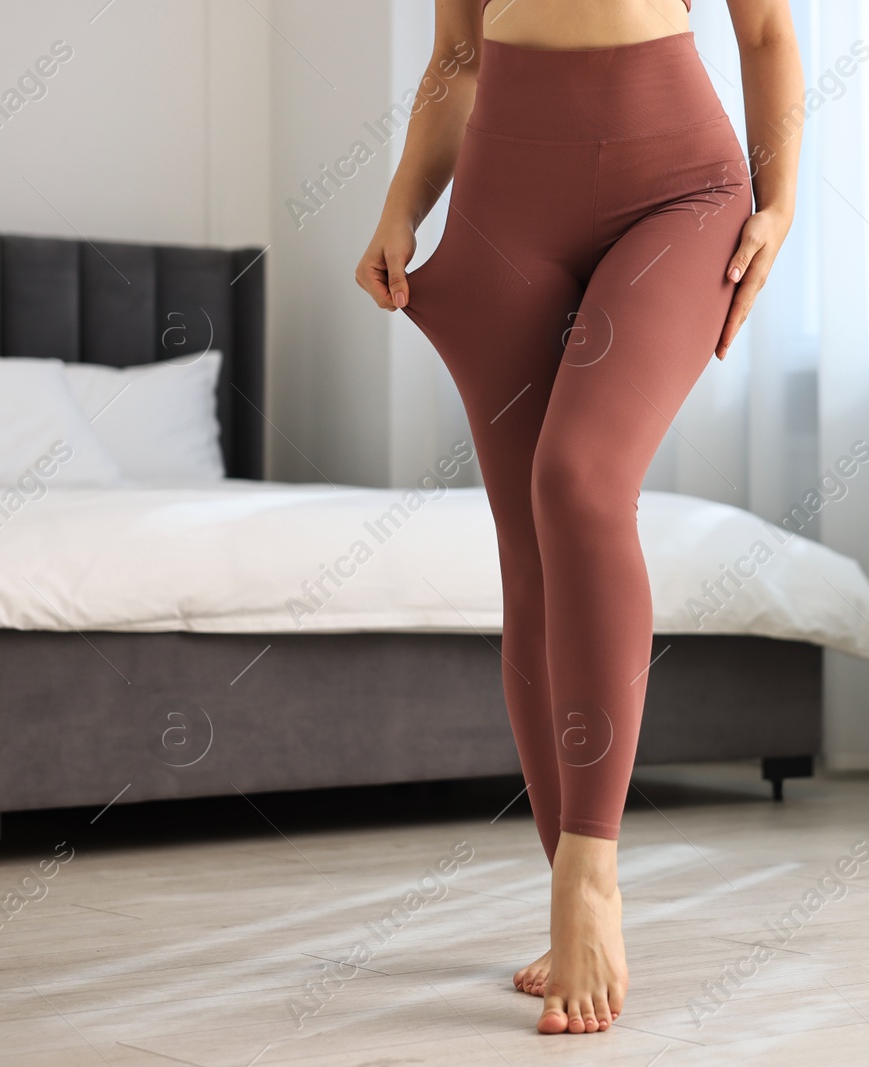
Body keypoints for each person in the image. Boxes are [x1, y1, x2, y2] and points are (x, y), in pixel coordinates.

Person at [355, 0, 802, 1038]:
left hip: (679, 188)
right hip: (504, 196)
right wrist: (400, 206)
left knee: (581, 478)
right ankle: (565, 880)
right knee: (530, 553)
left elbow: (768, 32)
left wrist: (776, 204)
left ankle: (589, 876)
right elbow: (459, 56)